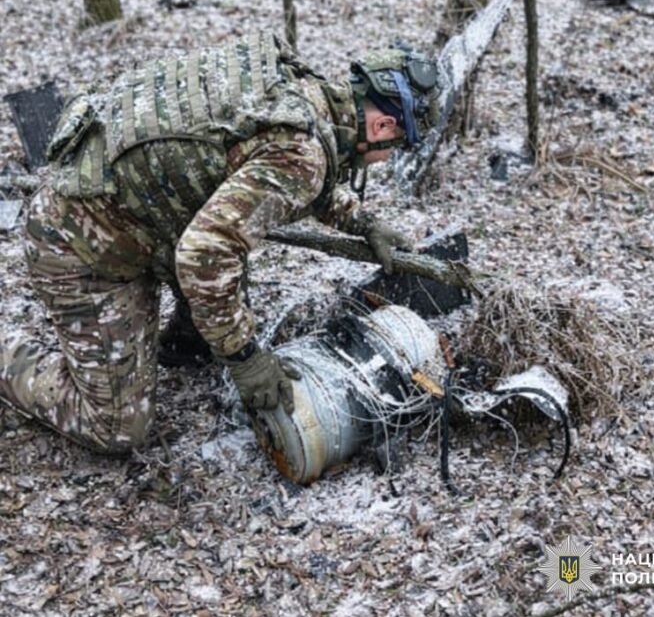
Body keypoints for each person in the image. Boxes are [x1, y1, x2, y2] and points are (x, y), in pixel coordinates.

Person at [0, 31, 439, 454]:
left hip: (127, 212)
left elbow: (274, 171)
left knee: (229, 246)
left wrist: (362, 222)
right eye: (396, 147)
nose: (386, 159)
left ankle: (184, 342)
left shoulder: (304, 93)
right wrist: (246, 357)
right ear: (382, 126)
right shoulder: (303, 153)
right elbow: (203, 256)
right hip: (80, 249)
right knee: (116, 427)